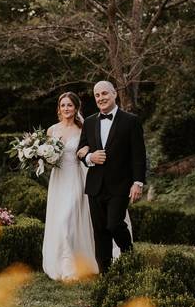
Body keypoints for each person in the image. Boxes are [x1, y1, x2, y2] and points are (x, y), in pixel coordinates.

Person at [78, 80, 147, 273]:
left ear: (114, 94)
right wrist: (91, 157)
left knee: (114, 224)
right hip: (95, 186)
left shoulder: (131, 121)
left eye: (104, 93)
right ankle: (105, 274)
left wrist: (138, 183)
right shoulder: (90, 122)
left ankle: (130, 255)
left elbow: (138, 155)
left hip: (120, 185)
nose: (101, 98)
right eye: (97, 95)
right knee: (100, 232)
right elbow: (81, 150)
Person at [42, 92, 99, 281]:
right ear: (59, 108)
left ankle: (71, 269)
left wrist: (86, 150)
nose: (66, 109)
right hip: (58, 180)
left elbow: (89, 150)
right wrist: (40, 158)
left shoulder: (83, 129)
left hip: (75, 178)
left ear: (76, 108)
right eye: (63, 105)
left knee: (68, 220)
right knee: (59, 222)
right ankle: (61, 264)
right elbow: (47, 157)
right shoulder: (52, 130)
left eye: (70, 105)